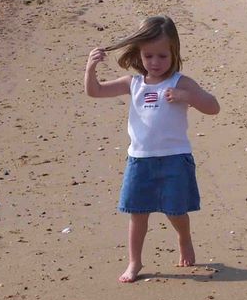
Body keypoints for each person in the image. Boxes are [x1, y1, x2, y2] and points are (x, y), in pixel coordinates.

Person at [85, 16, 220, 283]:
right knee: (137, 213)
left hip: (175, 158)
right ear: (139, 54)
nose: (155, 62)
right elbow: (95, 91)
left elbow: (213, 107)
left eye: (162, 56)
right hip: (140, 160)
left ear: (174, 53)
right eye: (148, 56)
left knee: (175, 210)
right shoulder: (133, 83)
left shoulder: (180, 83)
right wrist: (90, 68)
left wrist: (187, 97)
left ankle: (184, 238)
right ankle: (134, 261)